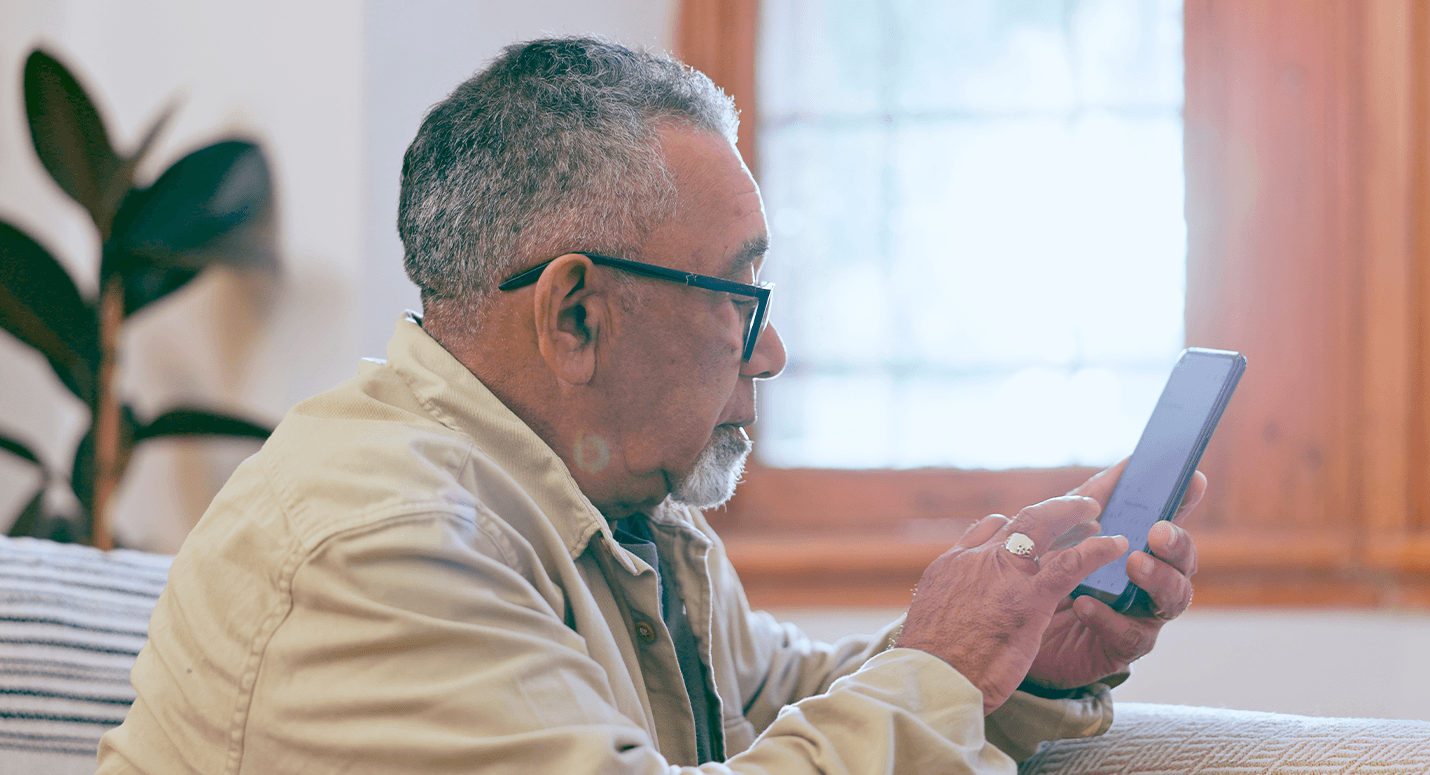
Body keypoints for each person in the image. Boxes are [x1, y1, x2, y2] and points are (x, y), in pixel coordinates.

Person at [95, 37, 1201, 774]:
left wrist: (1022, 657)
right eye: (741, 296)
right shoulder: (381, 547)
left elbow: (775, 711)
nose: (770, 352)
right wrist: (944, 669)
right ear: (575, 314)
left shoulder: (618, 501)